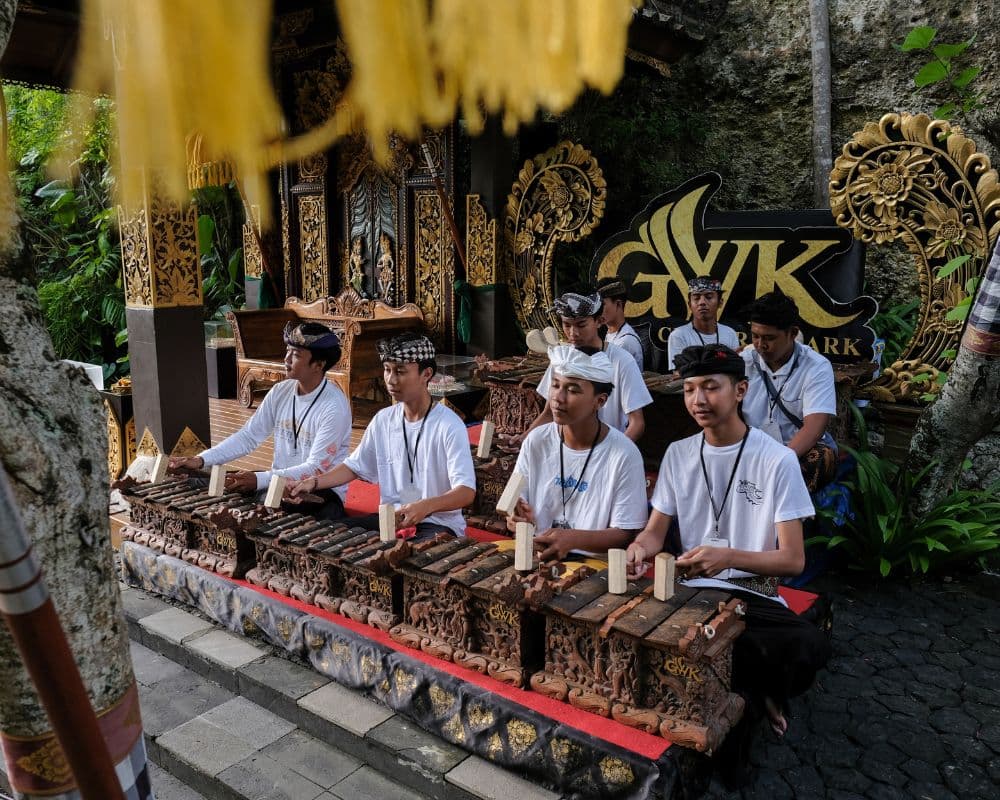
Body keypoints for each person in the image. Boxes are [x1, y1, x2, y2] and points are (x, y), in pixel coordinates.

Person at [625, 344, 829, 767]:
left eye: (711, 388)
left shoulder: (777, 460)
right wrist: (639, 549)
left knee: (808, 644)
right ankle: (755, 695)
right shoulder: (678, 454)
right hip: (689, 592)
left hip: (751, 594)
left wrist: (728, 557)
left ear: (740, 391)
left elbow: (793, 561)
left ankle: (749, 691)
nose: (698, 400)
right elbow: (654, 532)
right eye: (689, 389)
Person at [288, 332, 476, 539]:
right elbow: (354, 467)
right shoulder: (383, 419)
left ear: (426, 374)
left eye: (400, 371)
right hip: (390, 520)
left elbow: (466, 491)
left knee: (411, 557)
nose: (391, 379)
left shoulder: (449, 425)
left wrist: (426, 506)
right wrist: (313, 482)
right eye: (387, 370)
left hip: (435, 524)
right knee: (329, 534)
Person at [169, 322, 352, 521]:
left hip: (319, 491)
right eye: (287, 351)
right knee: (198, 482)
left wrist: (259, 480)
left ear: (319, 364)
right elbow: (249, 436)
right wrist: (201, 460)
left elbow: (315, 468)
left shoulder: (334, 407)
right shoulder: (281, 391)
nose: (286, 359)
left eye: (296, 355)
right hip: (275, 479)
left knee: (264, 505)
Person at [504, 345, 648, 560]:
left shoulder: (624, 455)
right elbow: (515, 501)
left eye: (572, 390)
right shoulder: (536, 441)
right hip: (536, 555)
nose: (558, 398)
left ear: (599, 401)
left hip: (591, 565)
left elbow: (624, 533)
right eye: (555, 385)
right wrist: (516, 517)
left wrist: (572, 539)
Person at [523, 290, 652, 443]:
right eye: (567, 325)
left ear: (599, 321)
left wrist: (614, 452)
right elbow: (549, 413)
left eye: (581, 324)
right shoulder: (562, 359)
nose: (573, 333)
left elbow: (637, 423)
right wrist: (522, 439)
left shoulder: (622, 361)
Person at [741, 291, 837, 491]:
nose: (760, 345)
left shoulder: (816, 367)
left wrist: (776, 464)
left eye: (769, 338)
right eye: (755, 336)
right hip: (753, 448)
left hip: (797, 450)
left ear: (793, 333)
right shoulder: (745, 362)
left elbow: (813, 428)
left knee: (821, 460)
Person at [667, 276, 740, 370]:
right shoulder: (679, 335)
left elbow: (736, 370)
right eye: (696, 298)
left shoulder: (730, 333)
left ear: (720, 302)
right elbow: (678, 374)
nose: (702, 302)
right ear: (689, 304)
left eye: (709, 297)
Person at [596, 276, 644, 371]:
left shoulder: (626, 342)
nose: (598, 310)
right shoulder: (610, 333)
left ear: (618, 304)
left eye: (602, 305)